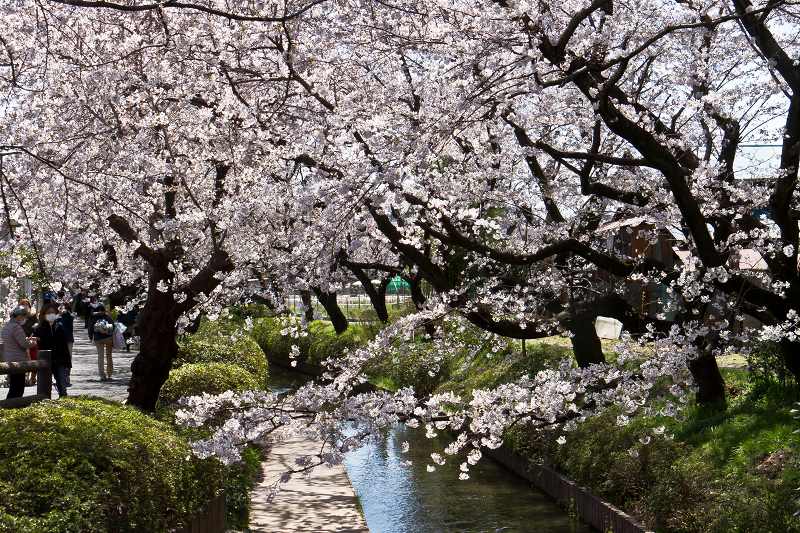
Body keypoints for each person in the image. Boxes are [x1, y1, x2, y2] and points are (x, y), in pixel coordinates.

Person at [34, 303, 70, 398]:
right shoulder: (39, 329)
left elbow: (64, 346)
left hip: (60, 360)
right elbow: (38, 345)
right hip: (46, 360)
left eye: (53, 312)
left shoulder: (60, 327)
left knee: (62, 384)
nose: (51, 315)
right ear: (44, 314)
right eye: (49, 313)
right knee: (45, 384)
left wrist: (68, 363)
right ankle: (46, 401)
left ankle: (63, 400)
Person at [1, 306, 37, 400]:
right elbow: (24, 344)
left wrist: (25, 340)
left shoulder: (6, 326)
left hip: (9, 358)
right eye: (24, 316)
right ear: (19, 316)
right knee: (18, 387)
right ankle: (11, 406)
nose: (24, 319)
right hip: (18, 360)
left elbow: (14, 341)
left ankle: (9, 406)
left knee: (14, 385)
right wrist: (33, 342)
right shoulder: (16, 327)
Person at [89, 304, 115, 381]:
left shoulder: (94, 317)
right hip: (108, 338)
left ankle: (102, 375)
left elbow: (90, 328)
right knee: (109, 355)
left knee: (100, 356)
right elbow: (113, 326)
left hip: (98, 339)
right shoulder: (107, 317)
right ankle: (109, 374)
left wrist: (91, 337)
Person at [58, 302, 75, 386]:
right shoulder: (57, 317)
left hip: (68, 340)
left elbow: (70, 318)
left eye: (63, 308)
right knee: (61, 359)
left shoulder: (69, 316)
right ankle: (61, 377)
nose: (62, 310)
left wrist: (65, 313)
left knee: (68, 359)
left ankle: (67, 377)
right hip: (59, 341)